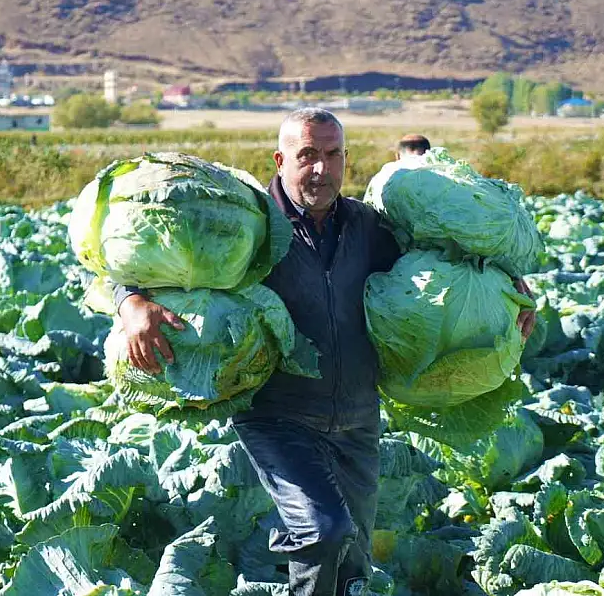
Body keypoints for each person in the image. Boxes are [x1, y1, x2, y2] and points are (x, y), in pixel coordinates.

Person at [112, 108, 535, 596]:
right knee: (323, 530)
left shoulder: (371, 228)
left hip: (357, 416)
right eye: (307, 155)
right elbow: (132, 256)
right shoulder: (250, 227)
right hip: (279, 417)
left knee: (353, 562)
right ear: (280, 159)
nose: (320, 169)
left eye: (332, 155)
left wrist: (511, 287)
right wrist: (132, 302)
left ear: (345, 159)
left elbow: (447, 255)